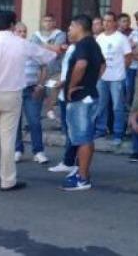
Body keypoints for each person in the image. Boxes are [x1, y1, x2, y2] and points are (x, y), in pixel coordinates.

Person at [0, 10, 57, 191]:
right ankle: (8, 180)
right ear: (13, 25)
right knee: (8, 139)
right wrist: (54, 48)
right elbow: (47, 56)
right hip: (12, 93)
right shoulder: (21, 44)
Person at [61, 14, 105, 191]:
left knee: (83, 137)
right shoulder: (93, 43)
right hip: (90, 95)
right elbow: (103, 65)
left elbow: (81, 65)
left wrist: (73, 86)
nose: (69, 30)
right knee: (84, 136)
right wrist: (91, 82)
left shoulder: (82, 45)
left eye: (71, 27)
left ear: (79, 27)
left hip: (80, 98)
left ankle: (83, 178)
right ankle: (81, 170)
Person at [13, 22, 50, 165]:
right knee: (15, 121)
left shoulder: (32, 48)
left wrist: (40, 85)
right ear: (13, 32)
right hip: (15, 89)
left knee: (34, 121)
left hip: (31, 88)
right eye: (19, 31)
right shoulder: (10, 48)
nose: (22, 34)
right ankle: (17, 150)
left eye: (24, 31)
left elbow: (44, 67)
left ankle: (38, 151)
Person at [95, 11, 132, 146]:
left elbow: (128, 56)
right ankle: (101, 129)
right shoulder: (99, 38)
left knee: (117, 106)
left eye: (109, 20)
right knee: (101, 105)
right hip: (102, 77)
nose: (106, 23)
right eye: (104, 20)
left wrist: (122, 70)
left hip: (117, 77)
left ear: (115, 23)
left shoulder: (121, 38)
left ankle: (118, 133)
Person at [47, 39, 79, 176]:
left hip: (70, 94)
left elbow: (77, 70)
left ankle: (70, 162)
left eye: (72, 27)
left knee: (72, 130)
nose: (69, 31)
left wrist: (64, 82)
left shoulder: (81, 48)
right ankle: (70, 160)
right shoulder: (71, 47)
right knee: (68, 130)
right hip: (63, 93)